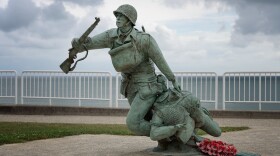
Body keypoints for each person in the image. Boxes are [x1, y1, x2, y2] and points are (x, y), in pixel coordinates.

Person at [70, 4, 180, 136]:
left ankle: (174, 134)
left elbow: (160, 61)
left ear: (130, 19)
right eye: (117, 15)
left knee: (133, 123)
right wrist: (77, 43)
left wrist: (173, 79)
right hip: (129, 87)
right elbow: (88, 44)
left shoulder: (144, 39)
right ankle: (167, 138)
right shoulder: (111, 36)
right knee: (147, 118)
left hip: (147, 87)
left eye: (121, 16)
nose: (118, 18)